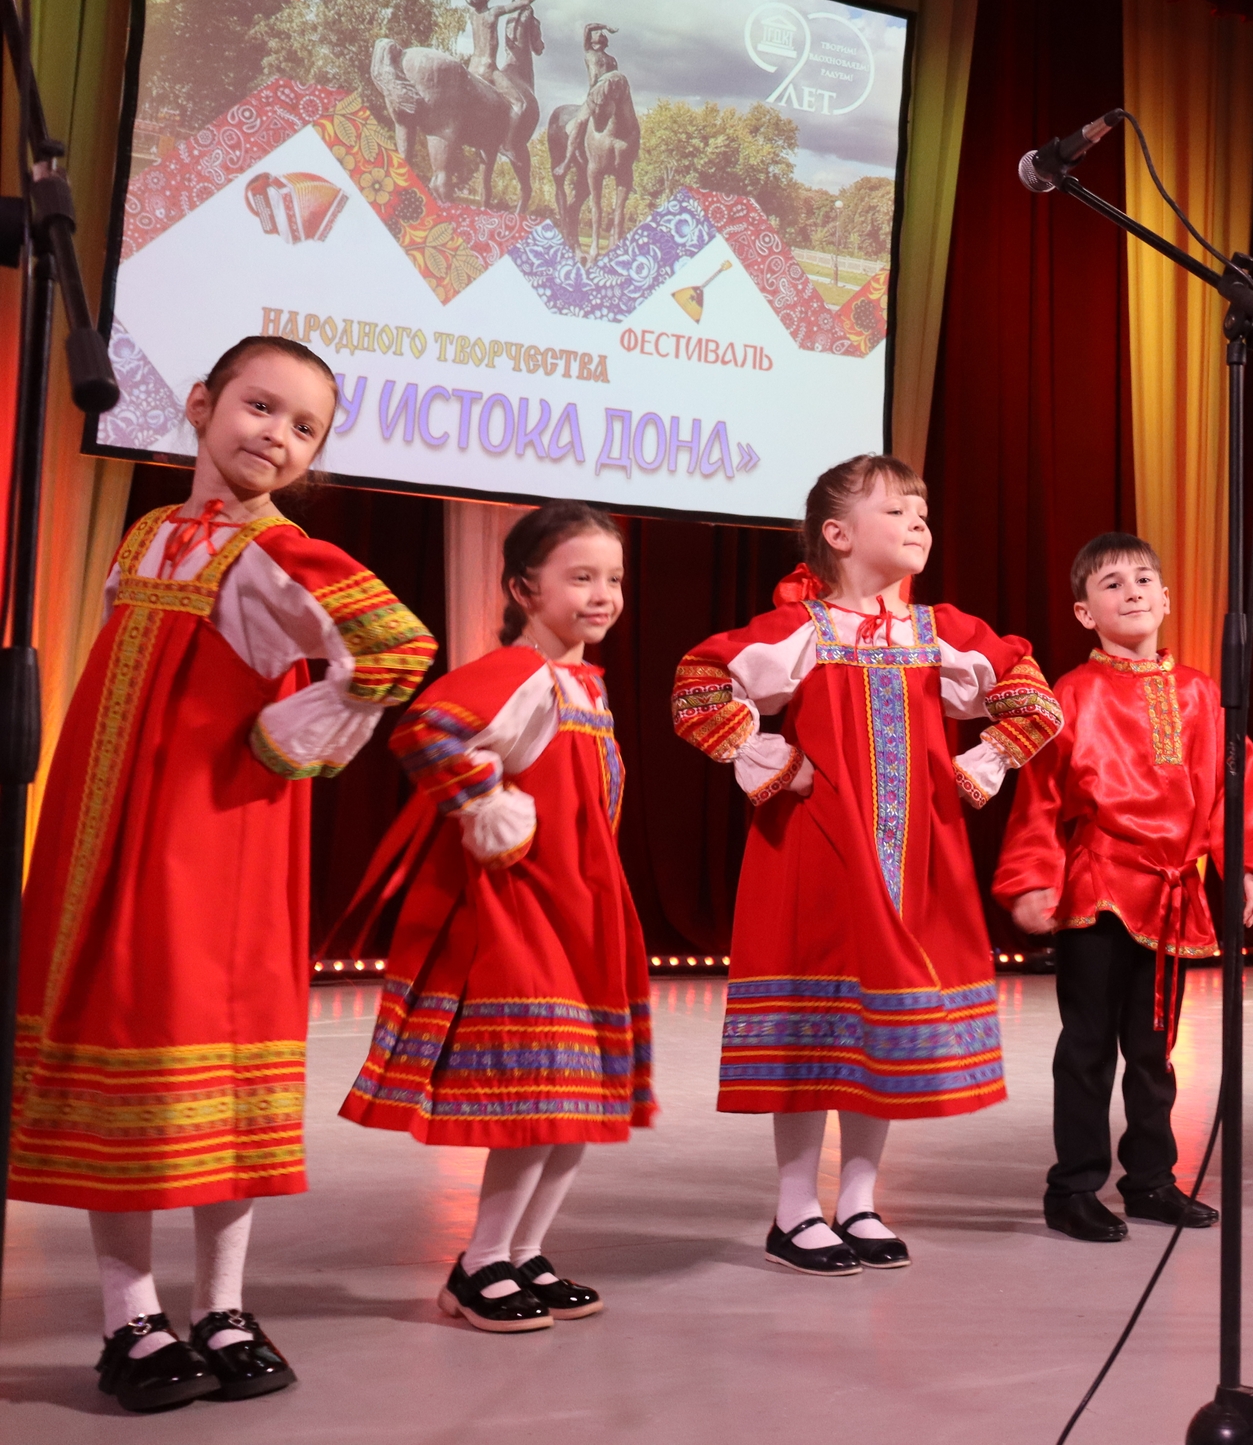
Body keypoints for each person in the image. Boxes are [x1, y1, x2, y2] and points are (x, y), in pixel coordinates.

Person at [9, 336, 434, 1410]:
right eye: (259, 405)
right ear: (200, 403)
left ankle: (224, 1306)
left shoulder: (274, 548)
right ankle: (133, 1316)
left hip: (212, 841)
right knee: (119, 1046)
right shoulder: (147, 533)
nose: (276, 435)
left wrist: (291, 736)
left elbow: (393, 644)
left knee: (216, 1052)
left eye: (304, 428)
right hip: (108, 827)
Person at [670, 455, 1060, 1271]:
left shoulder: (939, 630)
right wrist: (776, 761)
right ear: (838, 535)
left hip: (914, 852)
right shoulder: (803, 628)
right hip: (818, 848)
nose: (918, 521)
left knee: (878, 1021)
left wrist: (985, 759)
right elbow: (700, 685)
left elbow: (1031, 694)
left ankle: (858, 1199)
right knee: (815, 1020)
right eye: (896, 510)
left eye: (923, 510)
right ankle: (793, 1209)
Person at [340, 503, 650, 1330]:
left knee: (582, 1095)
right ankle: (480, 1262)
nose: (603, 594)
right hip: (526, 911)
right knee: (539, 1095)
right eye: (580, 577)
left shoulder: (585, 684)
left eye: (613, 578)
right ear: (523, 588)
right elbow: (428, 729)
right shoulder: (520, 671)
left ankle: (523, 1251)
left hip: (582, 911)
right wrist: (487, 805)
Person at [992, 532, 1253, 1244]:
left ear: (1166, 598)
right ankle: (1073, 1187)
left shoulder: (1200, 693)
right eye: (1112, 584)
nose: (1132, 592)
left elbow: (1233, 785)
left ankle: (1151, 1179)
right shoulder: (1070, 694)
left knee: (1154, 1052)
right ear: (1084, 612)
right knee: (1088, 1047)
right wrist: (1031, 878)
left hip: (1172, 894)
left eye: (1144, 580)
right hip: (1098, 889)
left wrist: (1245, 864)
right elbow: (1041, 795)